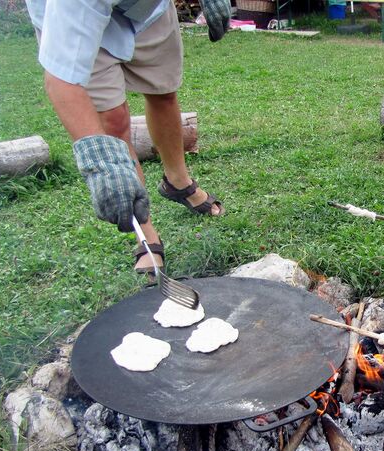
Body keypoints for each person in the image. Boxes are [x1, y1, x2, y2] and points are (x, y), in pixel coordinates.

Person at [24, 0, 230, 275]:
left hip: (148, 10)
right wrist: (102, 162)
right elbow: (62, 80)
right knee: (113, 118)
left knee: (164, 92)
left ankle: (178, 183)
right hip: (83, 19)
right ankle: (145, 235)